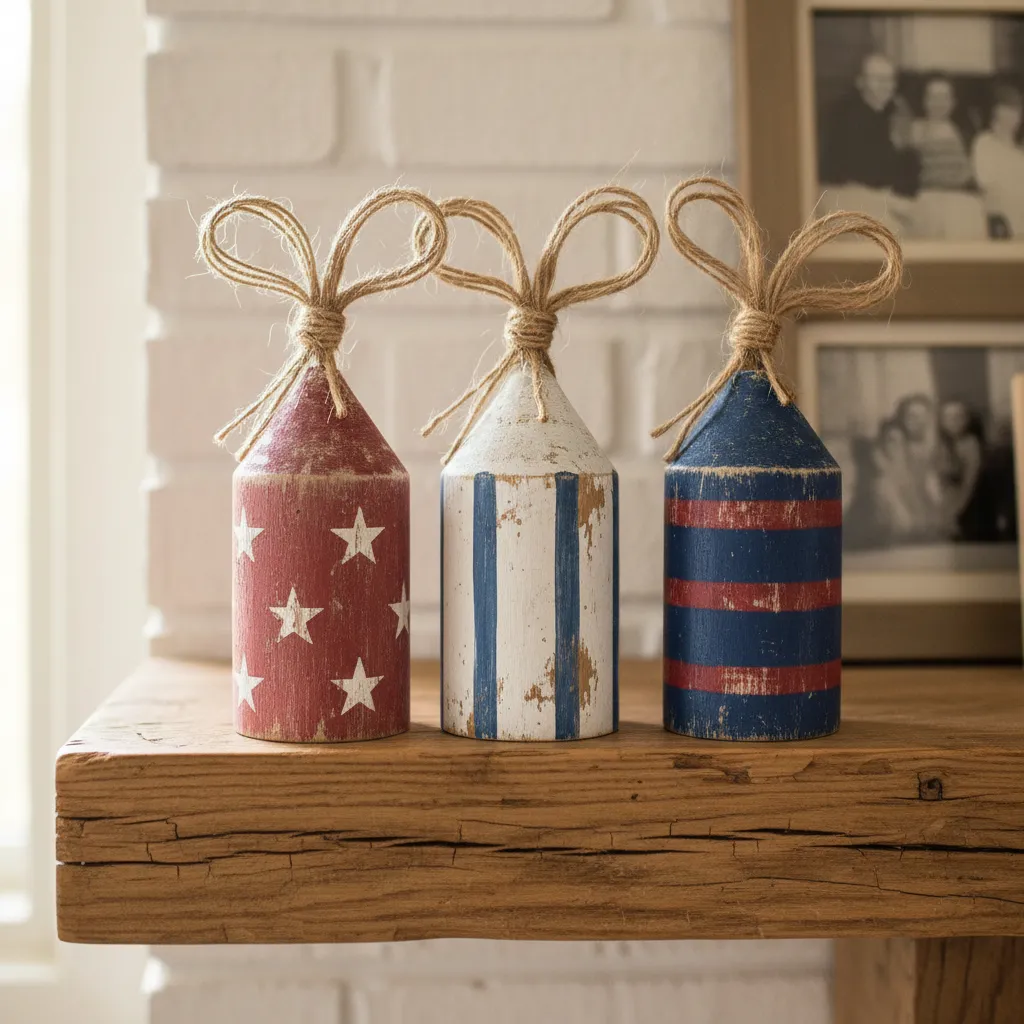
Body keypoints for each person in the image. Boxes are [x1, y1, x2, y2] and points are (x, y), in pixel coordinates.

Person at [818, 53, 919, 233]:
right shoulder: (844, 115)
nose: (884, 86)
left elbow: (907, 167)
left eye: (889, 79)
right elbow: (857, 171)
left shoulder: (896, 115)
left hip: (882, 195)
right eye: (877, 79)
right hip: (848, 195)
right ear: (861, 82)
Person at [909, 77, 986, 239]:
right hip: (929, 197)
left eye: (945, 97)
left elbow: (971, 172)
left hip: (963, 198)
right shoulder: (915, 130)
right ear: (925, 101)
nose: (939, 103)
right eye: (933, 97)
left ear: (953, 102)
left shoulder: (963, 133)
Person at [972, 85, 1024, 239]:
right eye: (1005, 108)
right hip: (999, 220)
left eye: (1016, 110)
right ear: (995, 111)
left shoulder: (1019, 152)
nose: (1011, 115)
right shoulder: (984, 142)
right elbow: (985, 181)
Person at [934, 399, 984, 540]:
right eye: (949, 417)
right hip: (944, 503)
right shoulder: (939, 444)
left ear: (967, 420)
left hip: (968, 505)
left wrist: (956, 510)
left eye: (959, 416)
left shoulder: (971, 444)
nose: (954, 421)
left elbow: (969, 481)